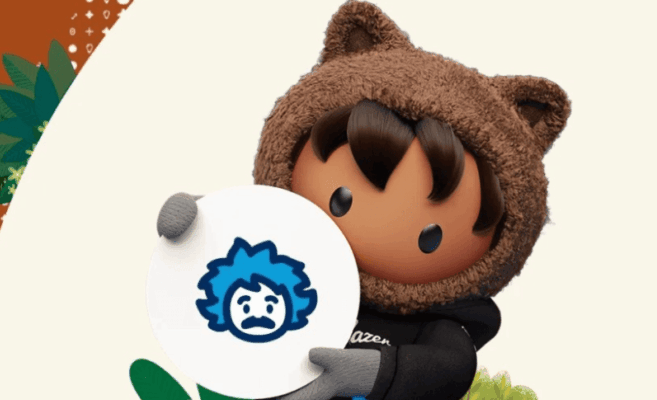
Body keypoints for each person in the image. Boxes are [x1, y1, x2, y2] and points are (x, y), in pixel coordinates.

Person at [156, 1, 570, 399]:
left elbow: (450, 368)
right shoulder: (278, 261)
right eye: (343, 200)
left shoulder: (437, 325)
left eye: (429, 235)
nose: (377, 230)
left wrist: (372, 373)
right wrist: (200, 223)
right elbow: (234, 238)